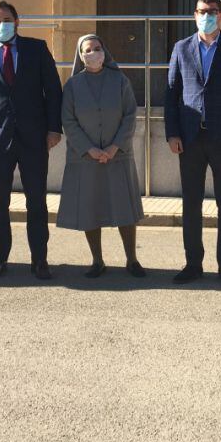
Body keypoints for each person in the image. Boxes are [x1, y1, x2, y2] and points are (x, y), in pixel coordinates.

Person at [0, 1, 63, 281]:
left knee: (37, 201)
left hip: (34, 137)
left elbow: (53, 91)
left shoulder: (37, 48)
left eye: (7, 19)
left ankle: (39, 259)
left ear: (17, 22)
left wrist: (54, 129)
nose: (1, 24)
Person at [165, 0, 221, 286]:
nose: (207, 16)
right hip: (189, 139)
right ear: (194, 15)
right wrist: (172, 132)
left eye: (213, 11)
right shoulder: (181, 48)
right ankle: (193, 263)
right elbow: (171, 94)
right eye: (202, 11)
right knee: (191, 203)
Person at [58, 35, 145, 278]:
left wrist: (115, 146)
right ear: (80, 55)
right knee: (90, 208)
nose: (94, 53)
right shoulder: (73, 86)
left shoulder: (119, 80)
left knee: (124, 208)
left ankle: (132, 259)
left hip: (118, 155)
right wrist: (90, 149)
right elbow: (68, 120)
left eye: (98, 48)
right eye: (88, 50)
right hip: (85, 158)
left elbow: (130, 115)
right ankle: (97, 260)